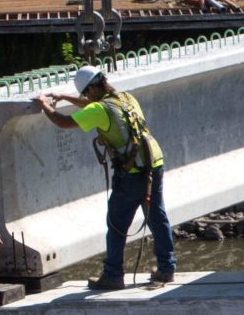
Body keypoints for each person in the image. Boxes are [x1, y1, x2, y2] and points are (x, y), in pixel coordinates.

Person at [36, 66, 175, 290]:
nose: (85, 97)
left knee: (116, 223)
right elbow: (92, 106)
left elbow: (64, 122)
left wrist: (45, 105)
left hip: (132, 173)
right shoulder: (124, 97)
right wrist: (65, 97)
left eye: (85, 93)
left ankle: (113, 275)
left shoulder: (99, 109)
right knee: (157, 217)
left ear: (91, 89)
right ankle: (167, 269)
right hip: (154, 163)